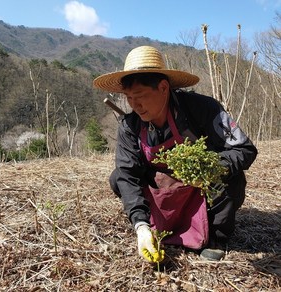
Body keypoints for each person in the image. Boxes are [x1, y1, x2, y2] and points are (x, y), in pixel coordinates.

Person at [93, 46, 257, 262]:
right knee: (118, 178)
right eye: (129, 98)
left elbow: (244, 149)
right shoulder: (129, 125)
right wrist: (140, 226)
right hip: (163, 187)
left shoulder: (202, 108)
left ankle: (216, 236)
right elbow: (127, 173)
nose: (135, 105)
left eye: (140, 96)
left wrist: (209, 167)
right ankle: (150, 223)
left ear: (163, 88)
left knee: (231, 177)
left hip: (201, 187)